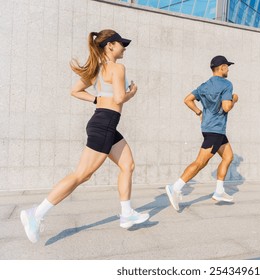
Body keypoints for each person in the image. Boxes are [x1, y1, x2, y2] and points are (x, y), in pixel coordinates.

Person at [20, 29, 149, 243]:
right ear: (110, 45)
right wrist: (132, 92)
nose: (124, 48)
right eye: (121, 44)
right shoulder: (117, 68)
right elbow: (118, 98)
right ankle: (36, 213)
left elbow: (76, 91)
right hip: (105, 124)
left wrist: (96, 100)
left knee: (128, 165)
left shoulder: (98, 69)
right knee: (81, 175)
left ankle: (126, 214)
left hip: (104, 123)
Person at [165, 55, 239, 211]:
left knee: (228, 156)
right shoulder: (227, 85)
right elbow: (226, 107)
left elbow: (187, 99)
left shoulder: (204, 86)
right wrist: (234, 99)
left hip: (209, 128)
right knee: (200, 163)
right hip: (215, 131)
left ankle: (219, 191)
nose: (228, 70)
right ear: (222, 67)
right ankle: (175, 187)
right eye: (227, 67)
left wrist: (199, 113)